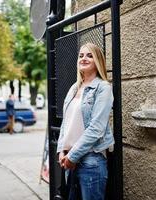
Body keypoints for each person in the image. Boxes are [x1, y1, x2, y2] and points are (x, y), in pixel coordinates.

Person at [57, 43, 115, 200]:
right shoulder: (74, 88)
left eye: (89, 55)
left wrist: (72, 156)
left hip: (91, 160)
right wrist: (62, 150)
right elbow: (65, 123)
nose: (84, 58)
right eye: (81, 55)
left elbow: (96, 128)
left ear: (98, 61)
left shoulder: (103, 88)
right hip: (70, 160)